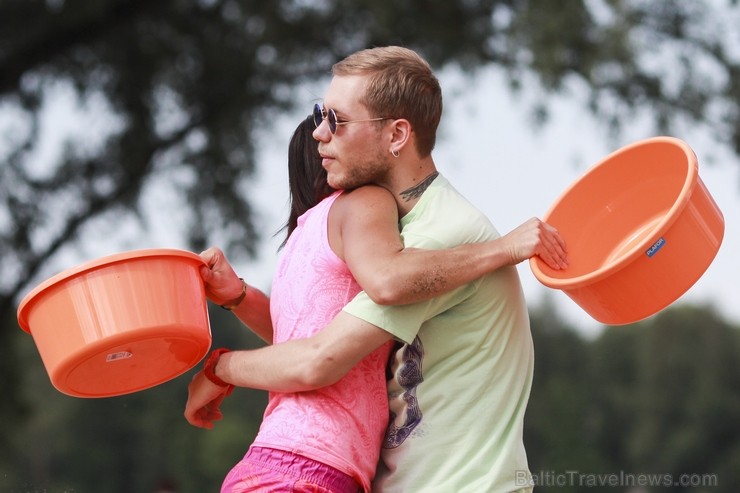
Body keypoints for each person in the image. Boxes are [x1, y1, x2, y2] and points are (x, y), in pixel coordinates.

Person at [185, 46, 568, 493]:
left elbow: (320, 359)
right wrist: (239, 297)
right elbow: (327, 342)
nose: (319, 134)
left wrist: (218, 368)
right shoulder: (402, 233)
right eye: (319, 114)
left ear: (397, 135)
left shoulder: (436, 236)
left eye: (338, 120)